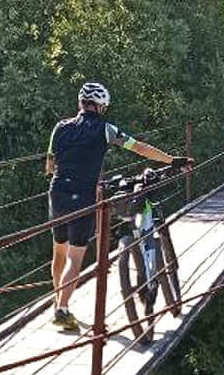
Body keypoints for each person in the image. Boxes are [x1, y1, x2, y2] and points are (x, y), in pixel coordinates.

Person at [44, 81, 185, 334]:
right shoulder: (106, 129)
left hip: (57, 192)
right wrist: (172, 160)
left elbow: (50, 166)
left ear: (80, 103)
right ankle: (62, 310)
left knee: (59, 252)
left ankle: (58, 302)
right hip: (83, 196)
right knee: (75, 257)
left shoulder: (59, 128)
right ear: (101, 107)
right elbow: (138, 147)